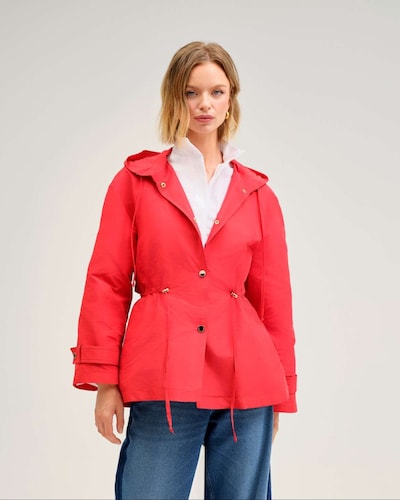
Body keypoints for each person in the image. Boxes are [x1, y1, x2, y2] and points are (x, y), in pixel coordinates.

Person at [71, 41, 297, 500]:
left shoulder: (258, 194)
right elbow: (107, 282)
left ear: (231, 97)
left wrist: (283, 391)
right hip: (162, 376)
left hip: (247, 384)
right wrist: (106, 381)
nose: (204, 104)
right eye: (191, 92)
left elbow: (273, 300)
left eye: (216, 92)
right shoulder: (135, 183)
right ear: (174, 97)